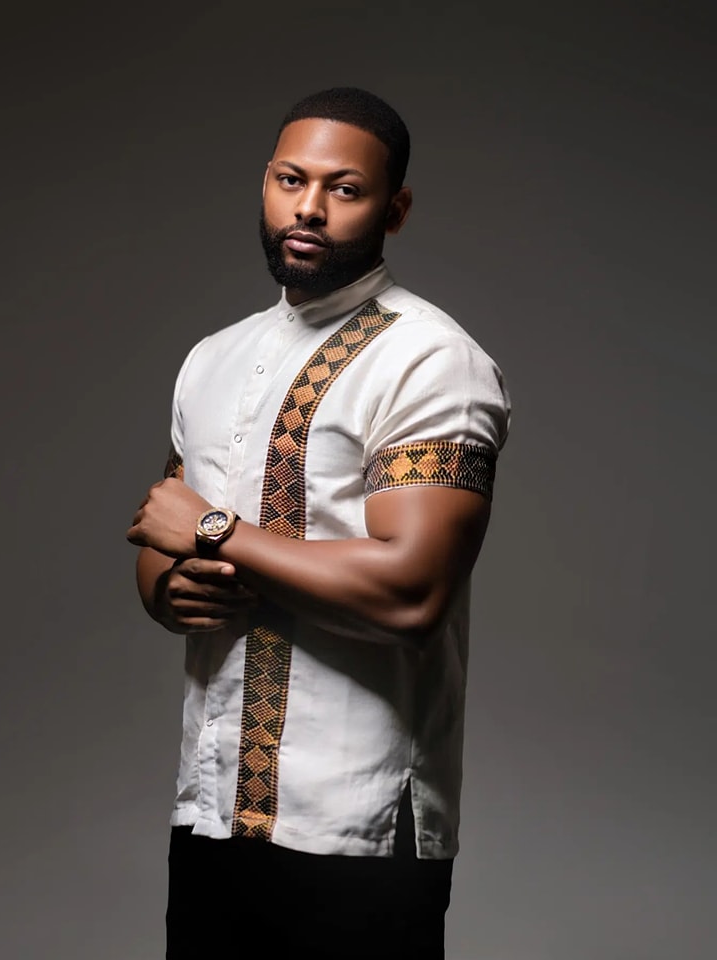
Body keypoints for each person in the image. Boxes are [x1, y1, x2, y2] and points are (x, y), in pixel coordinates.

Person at [127, 86, 511, 960]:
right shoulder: (212, 358)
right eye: (289, 179)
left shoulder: (429, 360)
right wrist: (169, 587)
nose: (308, 206)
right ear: (264, 183)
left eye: (345, 188)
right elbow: (163, 530)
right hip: (214, 806)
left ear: (395, 208)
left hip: (359, 825)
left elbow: (413, 592)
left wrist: (217, 532)